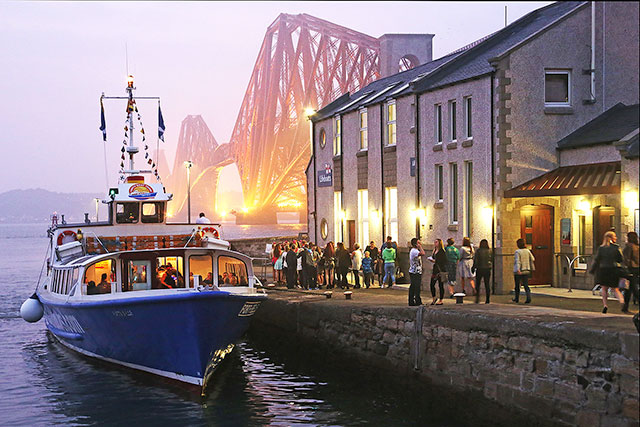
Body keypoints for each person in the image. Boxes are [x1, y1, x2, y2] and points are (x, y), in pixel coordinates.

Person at [590, 231, 624, 313]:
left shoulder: (601, 248)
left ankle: (605, 305)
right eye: (615, 236)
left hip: (603, 269)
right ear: (612, 238)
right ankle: (622, 302)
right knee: (615, 289)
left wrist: (592, 270)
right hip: (613, 269)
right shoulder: (616, 247)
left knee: (604, 289)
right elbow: (620, 259)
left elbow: (597, 260)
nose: (616, 238)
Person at [513, 238, 535, 304]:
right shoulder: (527, 251)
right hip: (526, 269)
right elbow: (533, 259)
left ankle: (516, 298)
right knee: (526, 285)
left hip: (519, 270)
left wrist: (518, 269)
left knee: (517, 285)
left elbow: (517, 261)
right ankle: (528, 297)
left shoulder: (517, 252)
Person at [622, 231, 639, 313]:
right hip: (636, 269)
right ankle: (625, 307)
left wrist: (625, 268)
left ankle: (625, 306)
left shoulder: (629, 246)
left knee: (631, 288)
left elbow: (626, 258)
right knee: (630, 288)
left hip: (630, 269)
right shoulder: (637, 246)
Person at [428, 239, 448, 305]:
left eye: (436, 242)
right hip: (435, 269)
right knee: (432, 284)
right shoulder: (434, 250)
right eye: (434, 242)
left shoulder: (442, 251)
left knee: (440, 285)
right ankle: (434, 297)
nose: (435, 243)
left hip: (440, 269)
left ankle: (441, 299)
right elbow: (434, 257)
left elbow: (444, 261)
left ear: (439, 243)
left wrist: (434, 261)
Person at [473, 239, 493, 304]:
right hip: (487, 268)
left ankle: (477, 298)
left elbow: (476, 260)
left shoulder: (478, 251)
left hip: (480, 268)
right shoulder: (490, 251)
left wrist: (474, 267)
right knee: (487, 284)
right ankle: (487, 299)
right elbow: (492, 259)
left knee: (478, 284)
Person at [408, 238, 425, 306]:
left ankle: (411, 300)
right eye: (418, 242)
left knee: (413, 286)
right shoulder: (414, 251)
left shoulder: (414, 251)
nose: (420, 243)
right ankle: (417, 300)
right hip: (415, 272)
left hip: (415, 271)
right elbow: (423, 253)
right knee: (416, 286)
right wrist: (420, 247)